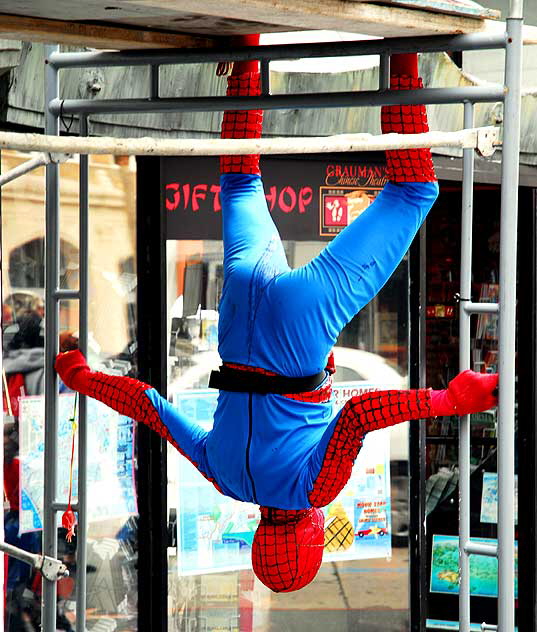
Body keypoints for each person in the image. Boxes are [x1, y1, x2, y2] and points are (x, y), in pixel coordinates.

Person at [55, 38, 499, 593]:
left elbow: (361, 415)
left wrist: (448, 401)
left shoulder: (313, 492)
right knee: (241, 179)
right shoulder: (224, 479)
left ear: (309, 539)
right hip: (238, 317)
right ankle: (245, 63)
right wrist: (81, 377)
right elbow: (148, 406)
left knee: (413, 190)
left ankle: (403, 53)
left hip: (298, 330)